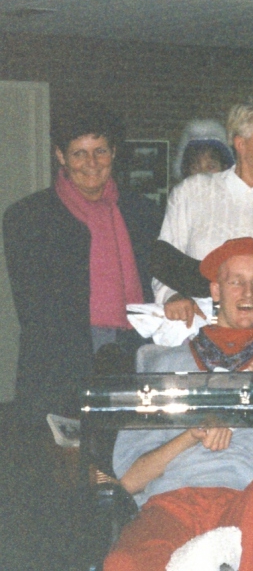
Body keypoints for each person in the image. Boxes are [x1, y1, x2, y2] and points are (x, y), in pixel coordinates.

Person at [104, 237, 253, 571]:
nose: (248, 293)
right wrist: (191, 435)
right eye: (236, 282)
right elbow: (130, 481)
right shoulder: (166, 364)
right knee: (123, 563)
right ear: (216, 290)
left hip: (250, 501)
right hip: (172, 504)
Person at [2, 101, 161, 570]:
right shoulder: (28, 216)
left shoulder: (143, 213)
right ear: (60, 156)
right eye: (79, 153)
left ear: (114, 153)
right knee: (67, 476)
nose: (92, 163)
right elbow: (34, 308)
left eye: (101, 151)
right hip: (64, 361)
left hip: (134, 349)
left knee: (128, 463)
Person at [152, 99, 253, 348]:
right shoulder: (192, 192)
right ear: (241, 144)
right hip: (199, 337)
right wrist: (173, 296)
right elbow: (163, 260)